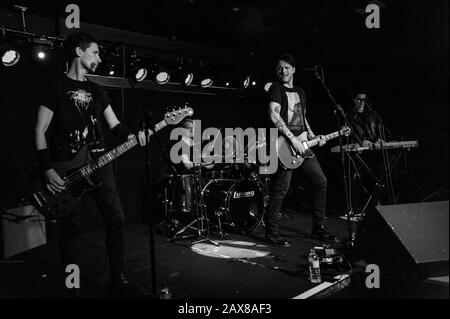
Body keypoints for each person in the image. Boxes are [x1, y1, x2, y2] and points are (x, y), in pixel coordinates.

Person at [34, 31, 148, 297]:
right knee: (71, 227)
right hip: (65, 167)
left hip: (99, 164)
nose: (98, 58)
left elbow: (115, 124)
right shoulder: (56, 87)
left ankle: (117, 277)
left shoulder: (97, 90)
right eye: (95, 52)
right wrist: (47, 169)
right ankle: (71, 282)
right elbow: (39, 131)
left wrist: (133, 135)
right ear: (78, 52)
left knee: (117, 220)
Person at [265, 54, 339, 247]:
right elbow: (274, 116)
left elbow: (303, 118)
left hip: (303, 144)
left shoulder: (300, 92)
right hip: (284, 144)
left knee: (321, 181)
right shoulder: (276, 88)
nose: (283, 71)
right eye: (280, 68)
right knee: (281, 188)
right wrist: (293, 140)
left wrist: (313, 136)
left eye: (287, 67)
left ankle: (318, 228)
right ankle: (271, 234)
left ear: (294, 69)